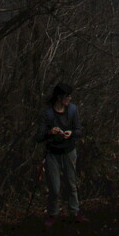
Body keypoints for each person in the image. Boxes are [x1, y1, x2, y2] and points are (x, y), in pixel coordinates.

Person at [36, 82, 87, 224]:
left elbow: (79, 130)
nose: (69, 98)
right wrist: (50, 132)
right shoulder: (48, 113)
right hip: (52, 153)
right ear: (60, 97)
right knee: (54, 186)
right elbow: (39, 136)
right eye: (67, 96)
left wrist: (71, 134)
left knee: (71, 183)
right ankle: (52, 214)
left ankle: (75, 212)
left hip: (69, 151)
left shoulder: (72, 110)